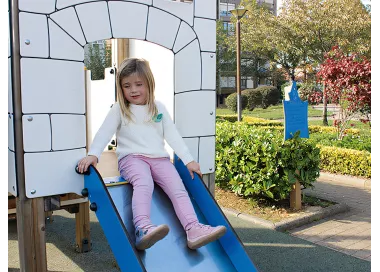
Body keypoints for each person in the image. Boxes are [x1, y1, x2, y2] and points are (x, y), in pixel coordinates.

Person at [77, 58, 226, 251]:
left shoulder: (158, 108)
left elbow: (172, 135)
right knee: (144, 182)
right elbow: (103, 133)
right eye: (127, 86)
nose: (133, 90)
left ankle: (193, 229)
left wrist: (189, 160)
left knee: (177, 188)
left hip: (159, 159)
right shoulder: (119, 110)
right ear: (120, 88)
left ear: (149, 84)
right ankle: (142, 228)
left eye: (139, 84)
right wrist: (94, 155)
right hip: (131, 159)